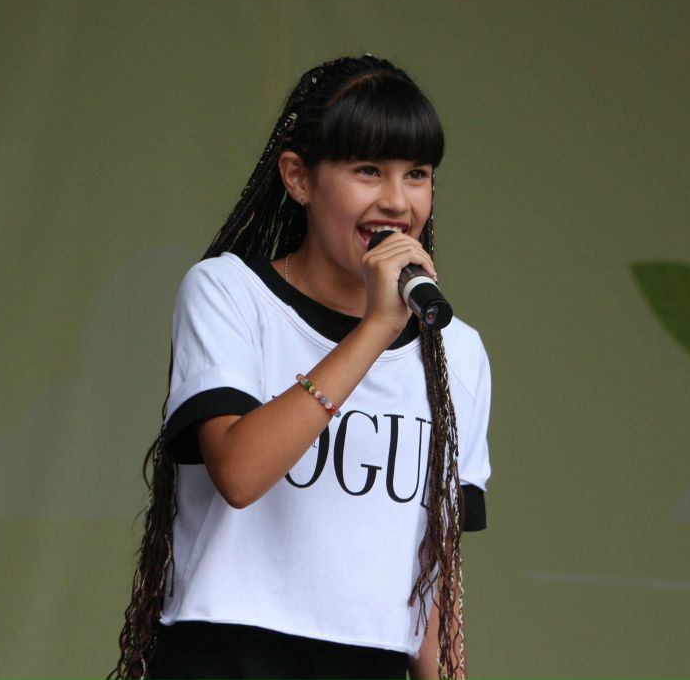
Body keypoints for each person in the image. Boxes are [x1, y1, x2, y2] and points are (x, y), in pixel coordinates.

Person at [108, 54, 492, 680]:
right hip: (227, 659)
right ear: (298, 178)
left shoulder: (457, 351)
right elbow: (239, 472)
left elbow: (434, 577)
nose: (396, 201)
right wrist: (376, 329)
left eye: (417, 174)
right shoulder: (231, 294)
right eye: (367, 170)